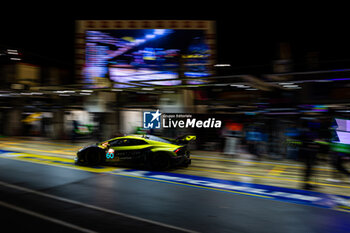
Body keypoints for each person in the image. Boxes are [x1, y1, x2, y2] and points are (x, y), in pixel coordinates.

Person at [298, 118, 320, 190]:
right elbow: (307, 143)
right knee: (308, 170)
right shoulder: (308, 132)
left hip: (309, 153)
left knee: (309, 169)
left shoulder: (308, 131)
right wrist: (313, 144)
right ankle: (306, 185)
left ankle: (308, 184)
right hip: (308, 153)